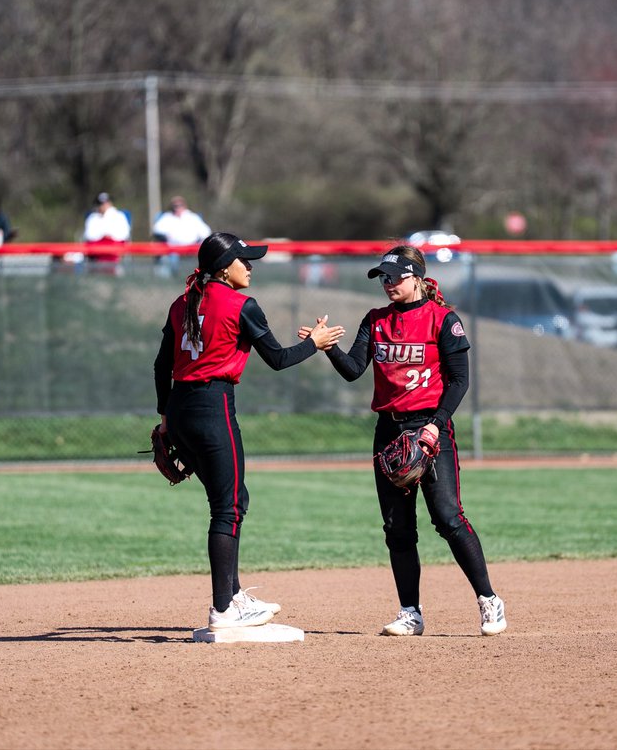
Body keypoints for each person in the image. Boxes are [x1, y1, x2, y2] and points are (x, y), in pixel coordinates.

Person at [301, 244, 507, 638]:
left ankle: (488, 599)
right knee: (397, 528)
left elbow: (459, 380)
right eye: (383, 277)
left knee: (448, 518)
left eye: (395, 276)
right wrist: (327, 347)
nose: (388, 283)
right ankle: (410, 612)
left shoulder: (443, 320)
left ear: (416, 277)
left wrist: (436, 425)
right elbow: (352, 370)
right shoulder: (375, 321)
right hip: (389, 432)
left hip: (430, 429)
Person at [154, 232, 345, 631]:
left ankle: (234, 594)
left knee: (231, 498)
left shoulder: (182, 302)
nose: (250, 266)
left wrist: (166, 417)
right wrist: (317, 343)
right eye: (244, 260)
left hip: (181, 409)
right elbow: (277, 358)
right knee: (228, 508)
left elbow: (161, 365)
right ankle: (223, 608)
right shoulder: (242, 304)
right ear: (225, 268)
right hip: (213, 407)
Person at [151, 196, 211, 277]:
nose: (177, 208)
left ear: (184, 206)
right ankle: (172, 278)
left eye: (180, 205)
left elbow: (206, 232)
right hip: (172, 248)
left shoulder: (192, 217)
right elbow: (156, 230)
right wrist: (165, 236)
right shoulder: (167, 217)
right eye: (175, 206)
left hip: (192, 248)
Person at [83, 192, 132, 265]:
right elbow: (89, 235)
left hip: (114, 250)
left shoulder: (119, 216)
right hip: (97, 251)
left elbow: (124, 234)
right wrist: (102, 236)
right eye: (101, 204)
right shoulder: (93, 218)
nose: (103, 206)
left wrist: (109, 237)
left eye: (105, 203)